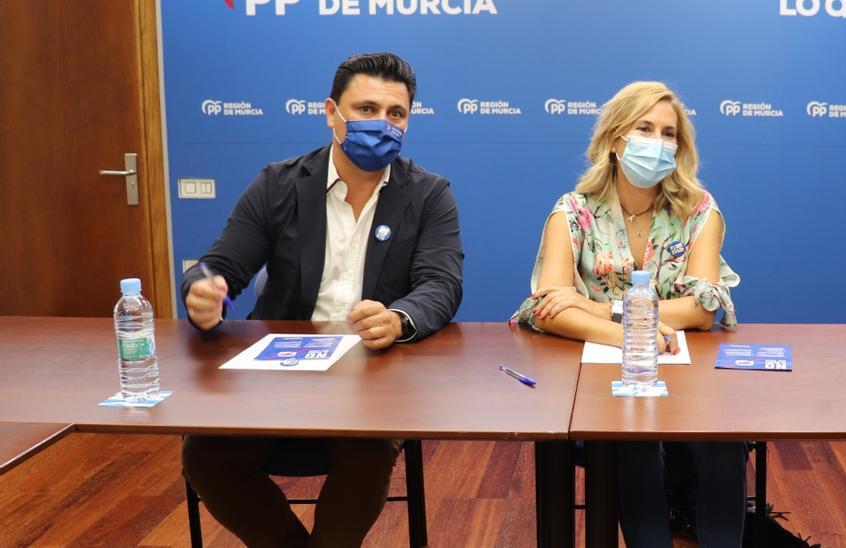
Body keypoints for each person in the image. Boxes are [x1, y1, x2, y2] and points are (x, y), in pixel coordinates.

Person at [180, 52, 463, 547]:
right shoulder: (278, 183)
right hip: (279, 375)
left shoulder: (429, 194)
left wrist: (399, 318)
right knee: (205, 456)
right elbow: (217, 266)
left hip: (371, 377)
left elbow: (441, 284)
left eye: (395, 113)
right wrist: (204, 293)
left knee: (368, 453)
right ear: (332, 112)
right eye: (366, 108)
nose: (382, 123)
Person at [511, 81, 744, 547]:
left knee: (725, 442)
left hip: (688, 378)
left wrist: (599, 308)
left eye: (668, 133)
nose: (657, 143)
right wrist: (628, 337)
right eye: (645, 128)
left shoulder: (699, 210)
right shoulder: (573, 211)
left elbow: (702, 309)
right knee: (633, 438)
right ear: (616, 140)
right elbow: (547, 308)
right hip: (605, 382)